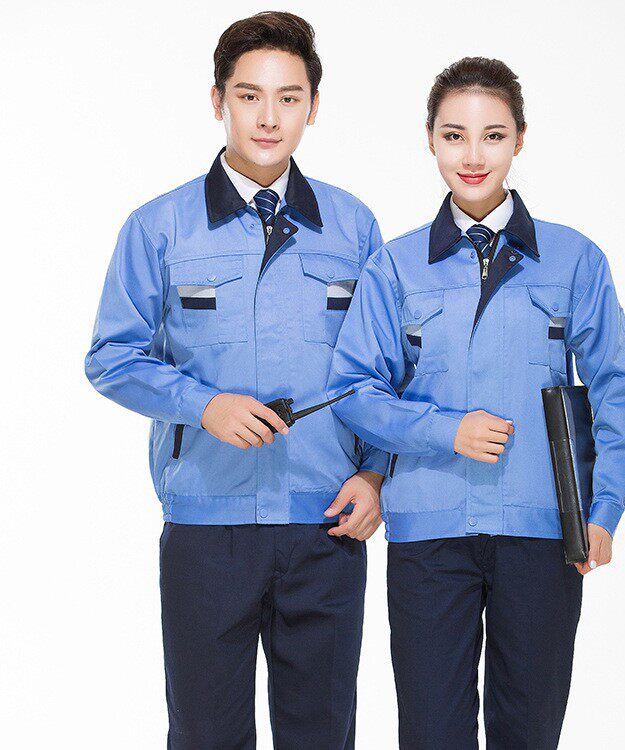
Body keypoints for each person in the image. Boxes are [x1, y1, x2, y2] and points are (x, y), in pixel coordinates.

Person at [84, 12, 388, 749]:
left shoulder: (353, 227)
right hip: (206, 526)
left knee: (322, 735)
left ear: (314, 106)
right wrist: (204, 405)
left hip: (327, 525)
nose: (269, 117)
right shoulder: (159, 227)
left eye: (289, 97)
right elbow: (112, 356)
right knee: (205, 735)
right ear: (218, 99)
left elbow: (385, 371)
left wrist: (376, 475)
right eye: (249, 96)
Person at [327, 57, 625, 749]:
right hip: (429, 536)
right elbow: (354, 390)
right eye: (454, 136)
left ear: (520, 140)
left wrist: (604, 508)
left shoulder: (573, 259)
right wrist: (446, 430)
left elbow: (618, 386)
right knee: (432, 733)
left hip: (543, 533)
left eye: (493, 136)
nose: (473, 157)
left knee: (528, 731)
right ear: (431, 140)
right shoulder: (395, 265)